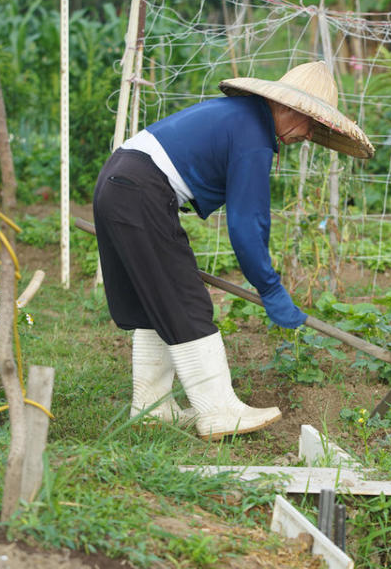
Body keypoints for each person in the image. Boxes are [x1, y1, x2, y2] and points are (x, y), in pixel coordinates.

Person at [92, 61, 373, 440]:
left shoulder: (240, 118)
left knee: (155, 299)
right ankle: (218, 410)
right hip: (139, 189)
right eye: (311, 124)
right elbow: (247, 223)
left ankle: (152, 406)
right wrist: (269, 287)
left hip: (118, 181)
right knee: (185, 298)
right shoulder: (254, 135)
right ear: (290, 109)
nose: (309, 135)